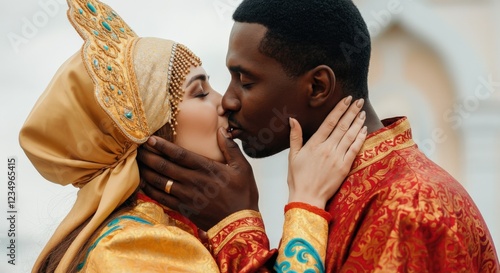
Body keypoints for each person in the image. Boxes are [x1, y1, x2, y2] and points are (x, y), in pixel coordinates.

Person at [138, 0, 500, 272]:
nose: (228, 100)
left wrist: (237, 223)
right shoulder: (334, 184)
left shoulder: (407, 205)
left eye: (246, 81)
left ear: (317, 85)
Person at [19, 0, 367, 272]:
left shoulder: (165, 231)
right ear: (151, 134)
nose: (226, 102)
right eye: (200, 93)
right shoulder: (134, 248)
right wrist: (303, 204)